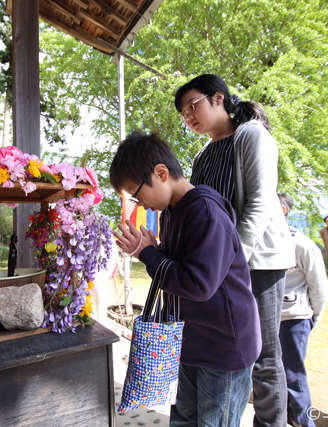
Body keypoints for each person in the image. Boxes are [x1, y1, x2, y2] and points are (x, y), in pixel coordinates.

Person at [110, 130, 261, 427]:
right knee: (183, 419)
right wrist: (154, 250)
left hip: (224, 345)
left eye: (137, 193)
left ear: (161, 172)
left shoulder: (205, 211)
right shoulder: (171, 212)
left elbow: (198, 284)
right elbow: (178, 266)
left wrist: (149, 254)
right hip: (192, 340)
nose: (139, 204)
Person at [175, 74, 295, 427]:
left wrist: (234, 256)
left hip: (257, 262)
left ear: (218, 99)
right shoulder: (202, 155)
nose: (188, 115)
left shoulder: (252, 135)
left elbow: (260, 201)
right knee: (229, 349)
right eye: (183, 112)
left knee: (265, 354)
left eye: (192, 105)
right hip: (220, 267)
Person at [277, 193, 328, 427]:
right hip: (264, 321)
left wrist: (311, 319)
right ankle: (281, 417)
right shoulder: (257, 241)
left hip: (294, 320)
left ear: (282, 210)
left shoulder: (303, 245)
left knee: (293, 374)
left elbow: (319, 286)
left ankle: (302, 421)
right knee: (270, 373)